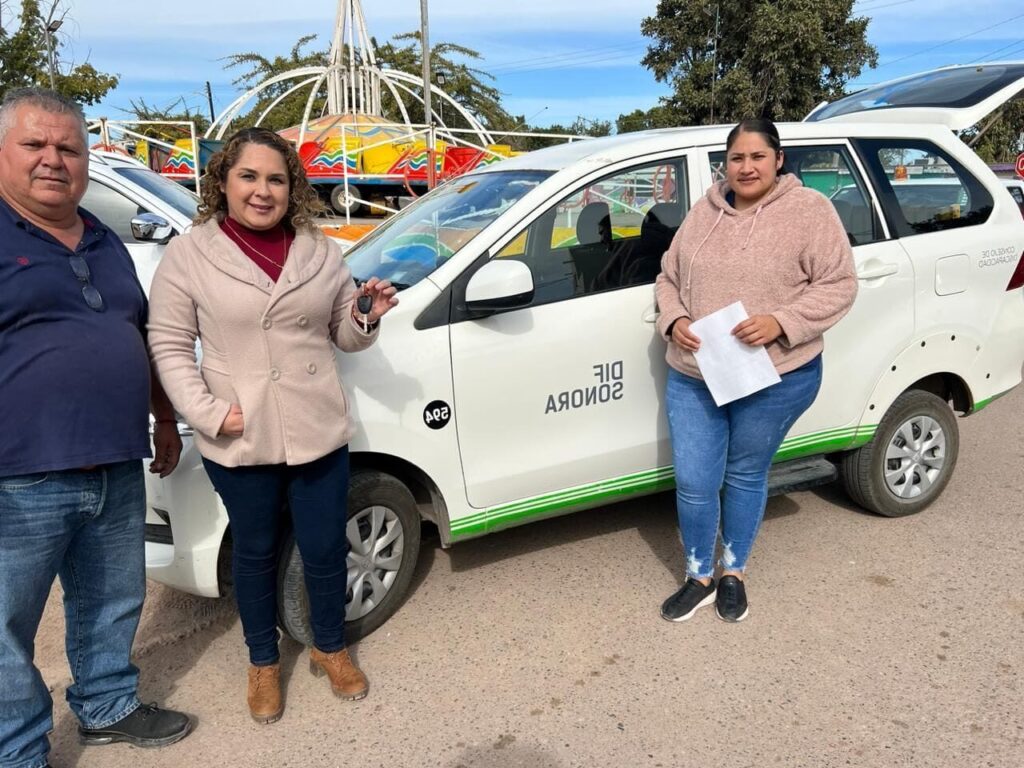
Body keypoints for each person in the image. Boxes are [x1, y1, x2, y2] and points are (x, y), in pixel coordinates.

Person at [147, 127, 398, 724]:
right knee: (255, 553)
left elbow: (342, 333)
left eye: (276, 179)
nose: (263, 191)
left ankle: (329, 647)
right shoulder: (191, 254)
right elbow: (170, 343)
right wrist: (208, 413)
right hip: (239, 433)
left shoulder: (320, 250)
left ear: (293, 187)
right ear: (224, 183)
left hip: (315, 426)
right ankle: (263, 661)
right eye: (249, 177)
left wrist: (365, 315)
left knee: (323, 547)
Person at [0, 88, 193, 768]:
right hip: (18, 475)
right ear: (3, 152)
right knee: (4, 627)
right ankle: (19, 750)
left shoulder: (103, 237)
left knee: (111, 599)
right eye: (35, 145)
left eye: (69, 148)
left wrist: (163, 416)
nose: (54, 160)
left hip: (114, 459)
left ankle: (108, 706)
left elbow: (132, 332)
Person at [654, 117, 857, 624]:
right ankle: (698, 576)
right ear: (726, 163)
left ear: (778, 159)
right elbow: (667, 276)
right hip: (696, 373)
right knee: (696, 481)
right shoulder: (705, 210)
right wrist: (674, 318)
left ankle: (732, 573)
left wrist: (780, 322)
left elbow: (839, 285)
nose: (746, 167)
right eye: (737, 158)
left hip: (775, 375)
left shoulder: (811, 210)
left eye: (757, 156)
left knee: (745, 474)